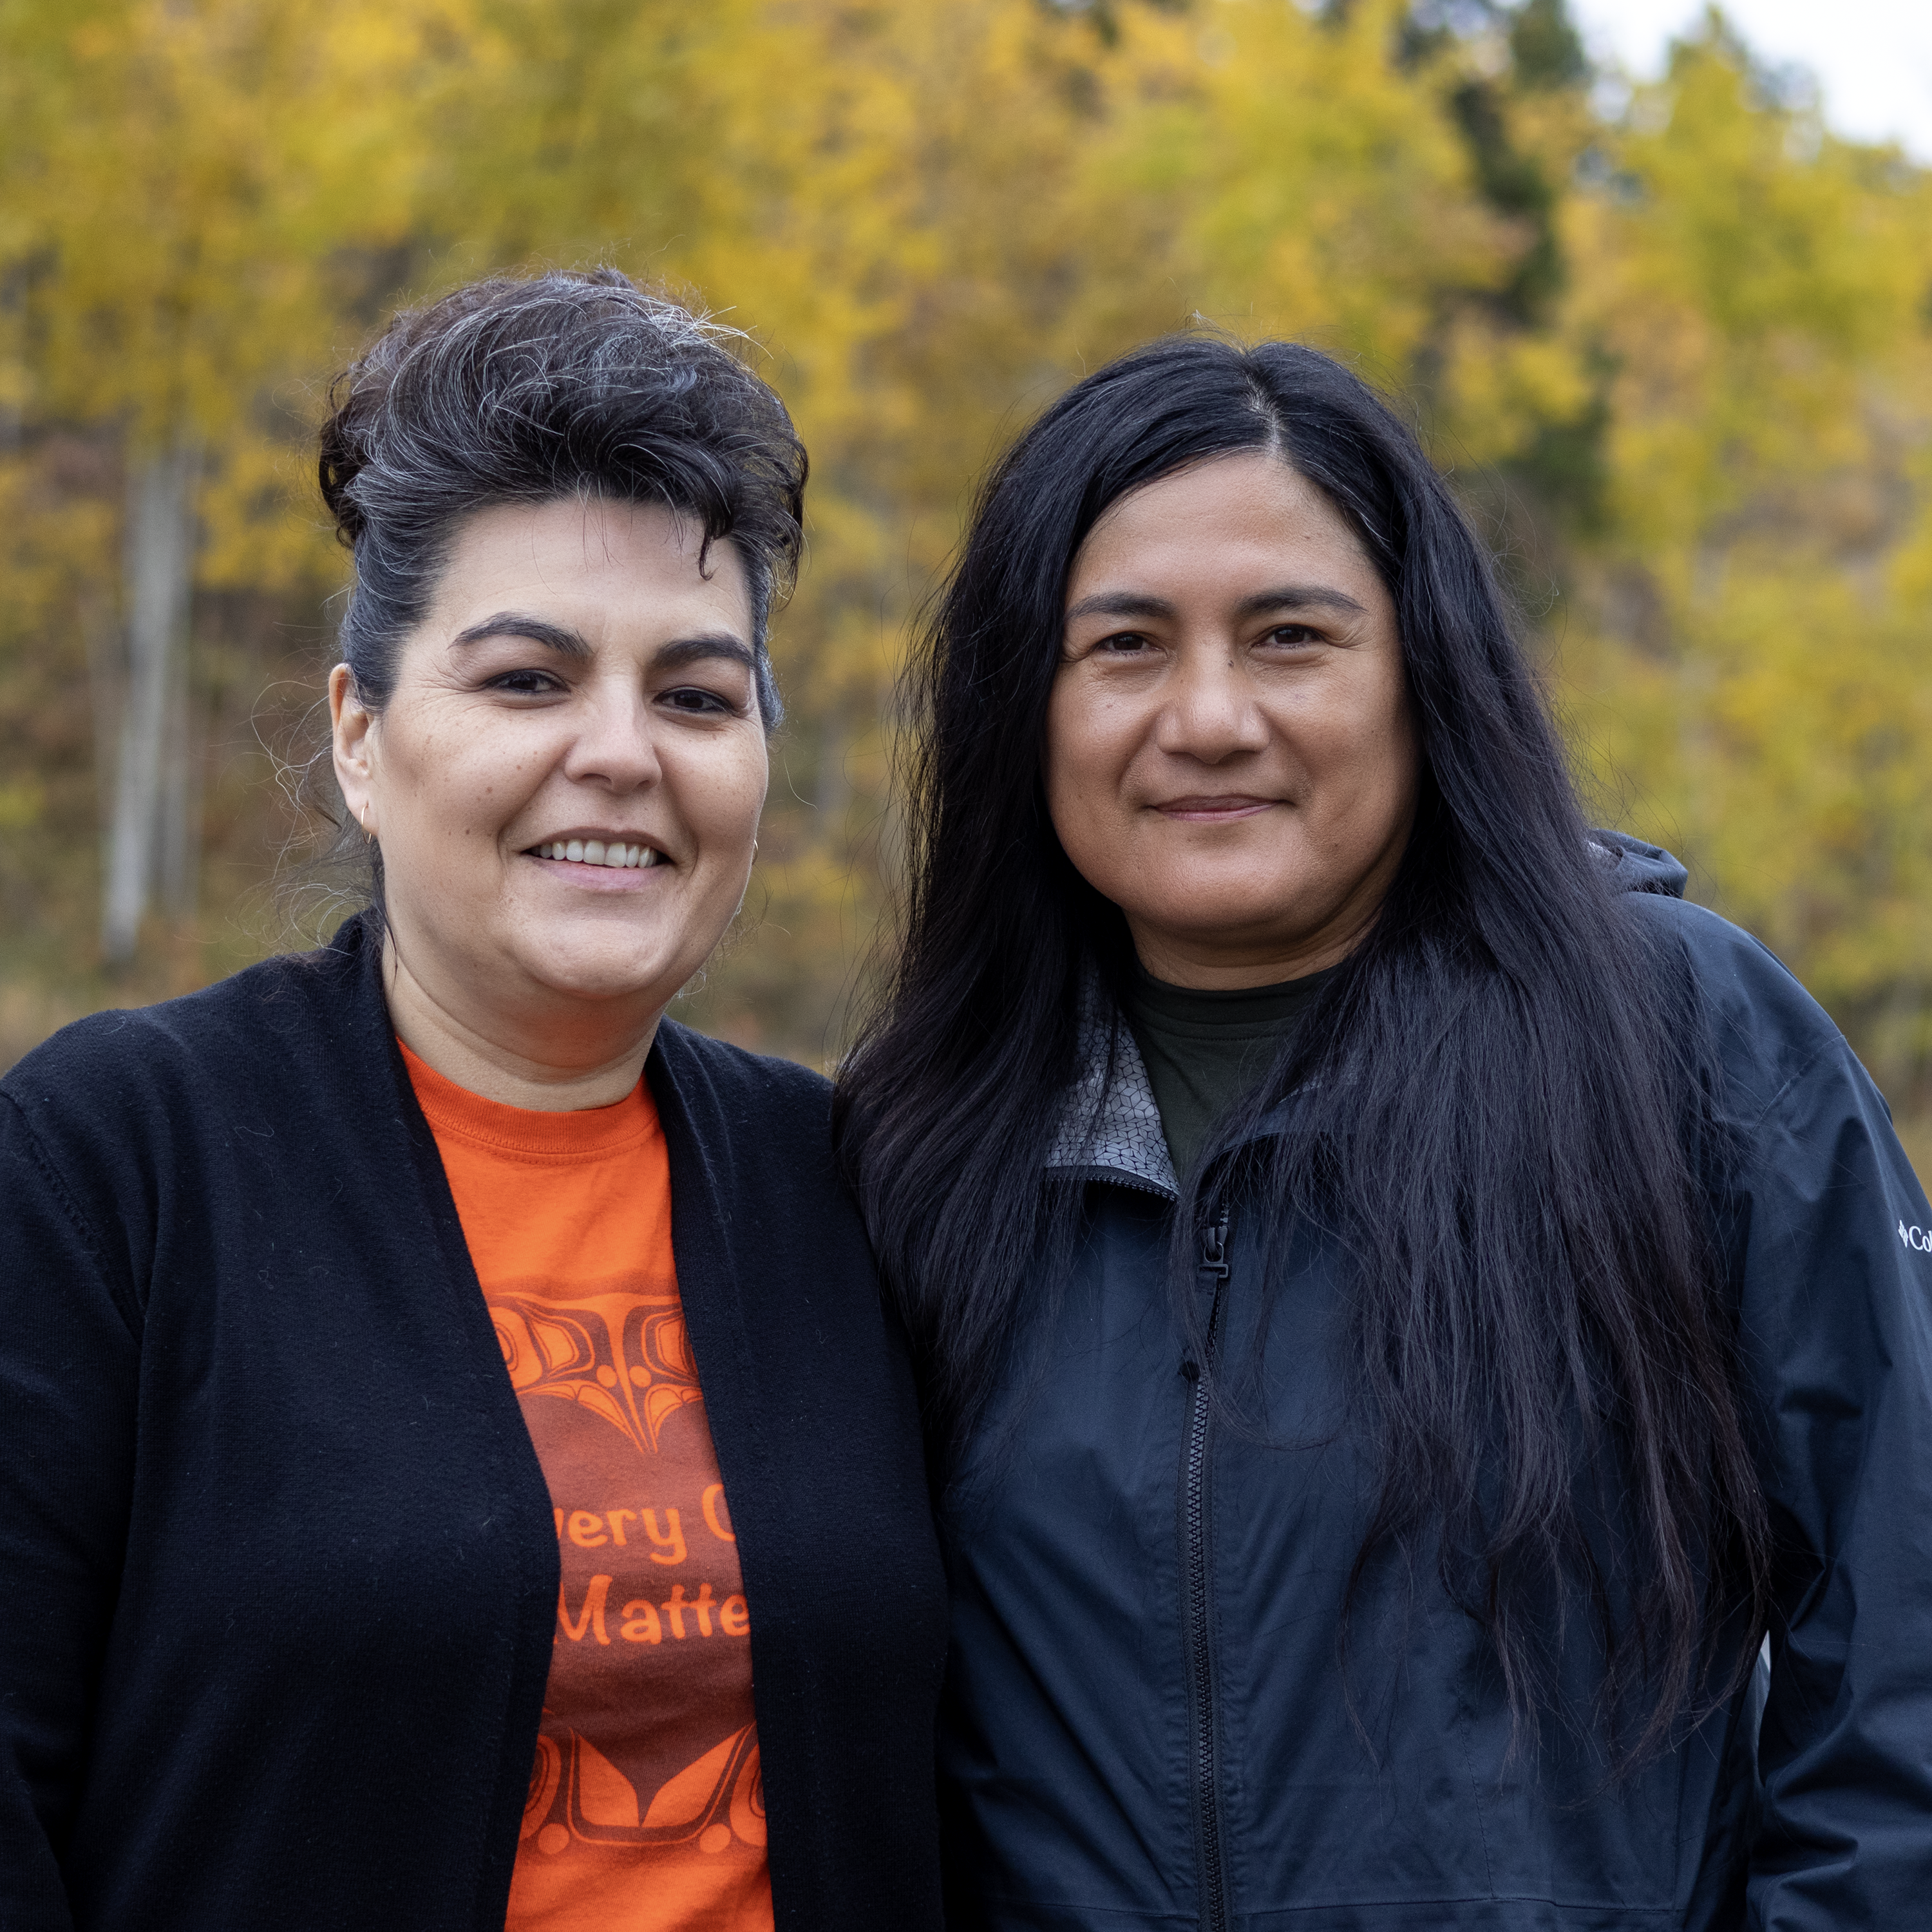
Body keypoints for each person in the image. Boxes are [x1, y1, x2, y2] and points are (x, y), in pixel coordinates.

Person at [835, 334, 1932, 1929]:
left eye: (1291, 638)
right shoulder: (923, 1137)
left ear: (1424, 675)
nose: (1208, 719)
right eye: (1125, 646)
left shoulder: (1678, 1041)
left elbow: (1902, 1635)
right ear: (1028, 707)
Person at [0, 271, 945, 1932]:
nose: (620, 752)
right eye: (527, 680)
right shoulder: (116, 1165)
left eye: (698, 695)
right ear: (363, 738)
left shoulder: (848, 1188)